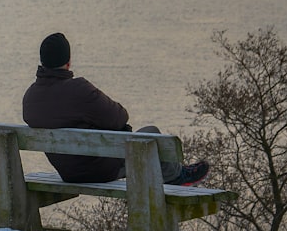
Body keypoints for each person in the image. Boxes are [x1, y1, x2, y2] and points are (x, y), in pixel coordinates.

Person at [22, 32, 208, 186]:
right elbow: (119, 117)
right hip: (100, 169)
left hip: (68, 172)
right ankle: (178, 176)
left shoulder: (30, 97)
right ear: (68, 62)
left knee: (144, 152)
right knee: (152, 135)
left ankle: (175, 179)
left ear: (42, 61)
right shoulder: (79, 90)